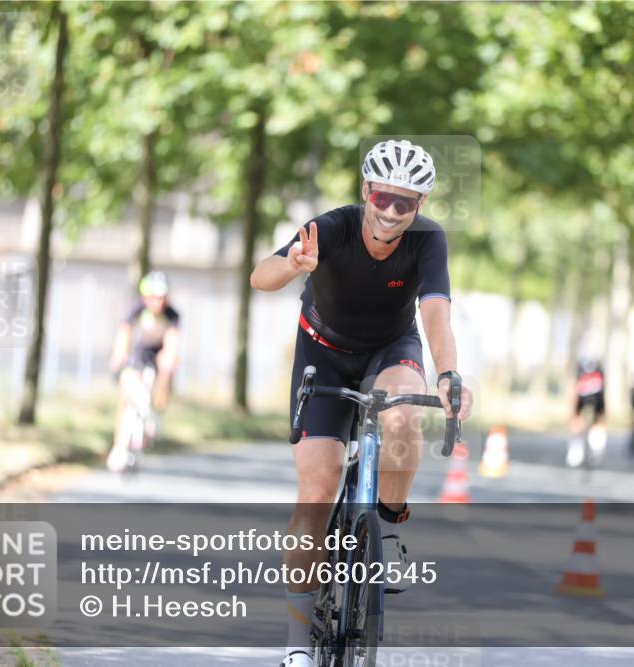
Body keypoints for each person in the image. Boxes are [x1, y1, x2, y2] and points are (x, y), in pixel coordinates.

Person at [250, 139, 473, 667]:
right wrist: (292, 267)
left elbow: (436, 312)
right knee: (319, 484)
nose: (392, 211)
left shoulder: (428, 240)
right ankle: (297, 643)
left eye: (406, 202)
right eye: (383, 197)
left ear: (420, 205)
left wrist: (448, 375)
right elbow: (261, 276)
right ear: (366, 191)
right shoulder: (331, 228)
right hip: (322, 351)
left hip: (390, 348)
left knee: (399, 418)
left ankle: (388, 529)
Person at [106, 271, 180, 472]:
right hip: (139, 352)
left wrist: (168, 359)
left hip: (158, 352)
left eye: (162, 298)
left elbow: (172, 341)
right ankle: (119, 447)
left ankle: (157, 411)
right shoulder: (137, 310)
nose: (159, 302)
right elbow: (124, 332)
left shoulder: (172, 315)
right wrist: (119, 354)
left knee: (167, 369)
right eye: (155, 298)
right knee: (127, 393)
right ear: (146, 297)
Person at [566, 358, 607, 467]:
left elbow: (574, 395)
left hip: (584, 399)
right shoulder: (599, 373)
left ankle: (576, 450)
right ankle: (596, 447)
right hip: (596, 399)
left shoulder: (581, 373)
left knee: (577, 422)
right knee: (598, 421)